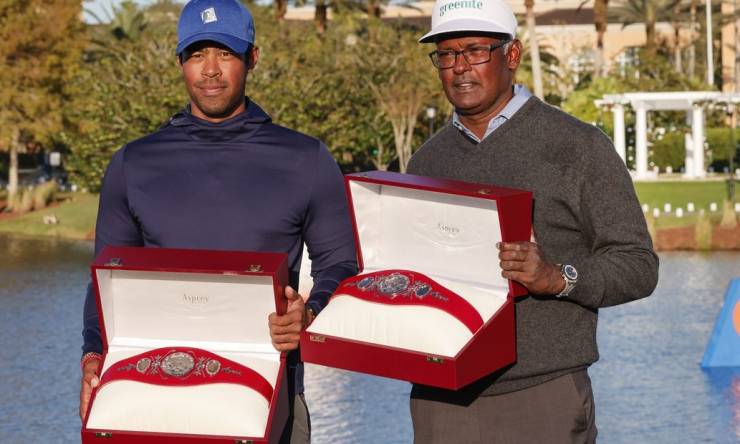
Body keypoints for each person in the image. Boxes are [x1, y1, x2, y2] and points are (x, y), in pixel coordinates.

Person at [77, 0, 357, 442]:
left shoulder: (306, 159)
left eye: (225, 53)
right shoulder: (134, 163)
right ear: (179, 62)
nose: (210, 70)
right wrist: (93, 356)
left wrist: (311, 313)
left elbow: (342, 264)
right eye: (196, 54)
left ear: (252, 59)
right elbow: (104, 285)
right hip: (155, 398)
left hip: (271, 403)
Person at [406, 0, 659, 442]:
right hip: (440, 399)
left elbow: (638, 265)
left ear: (513, 56)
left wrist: (556, 278)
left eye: (475, 50)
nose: (459, 67)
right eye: (446, 54)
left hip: (542, 396)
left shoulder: (579, 146)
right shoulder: (426, 160)